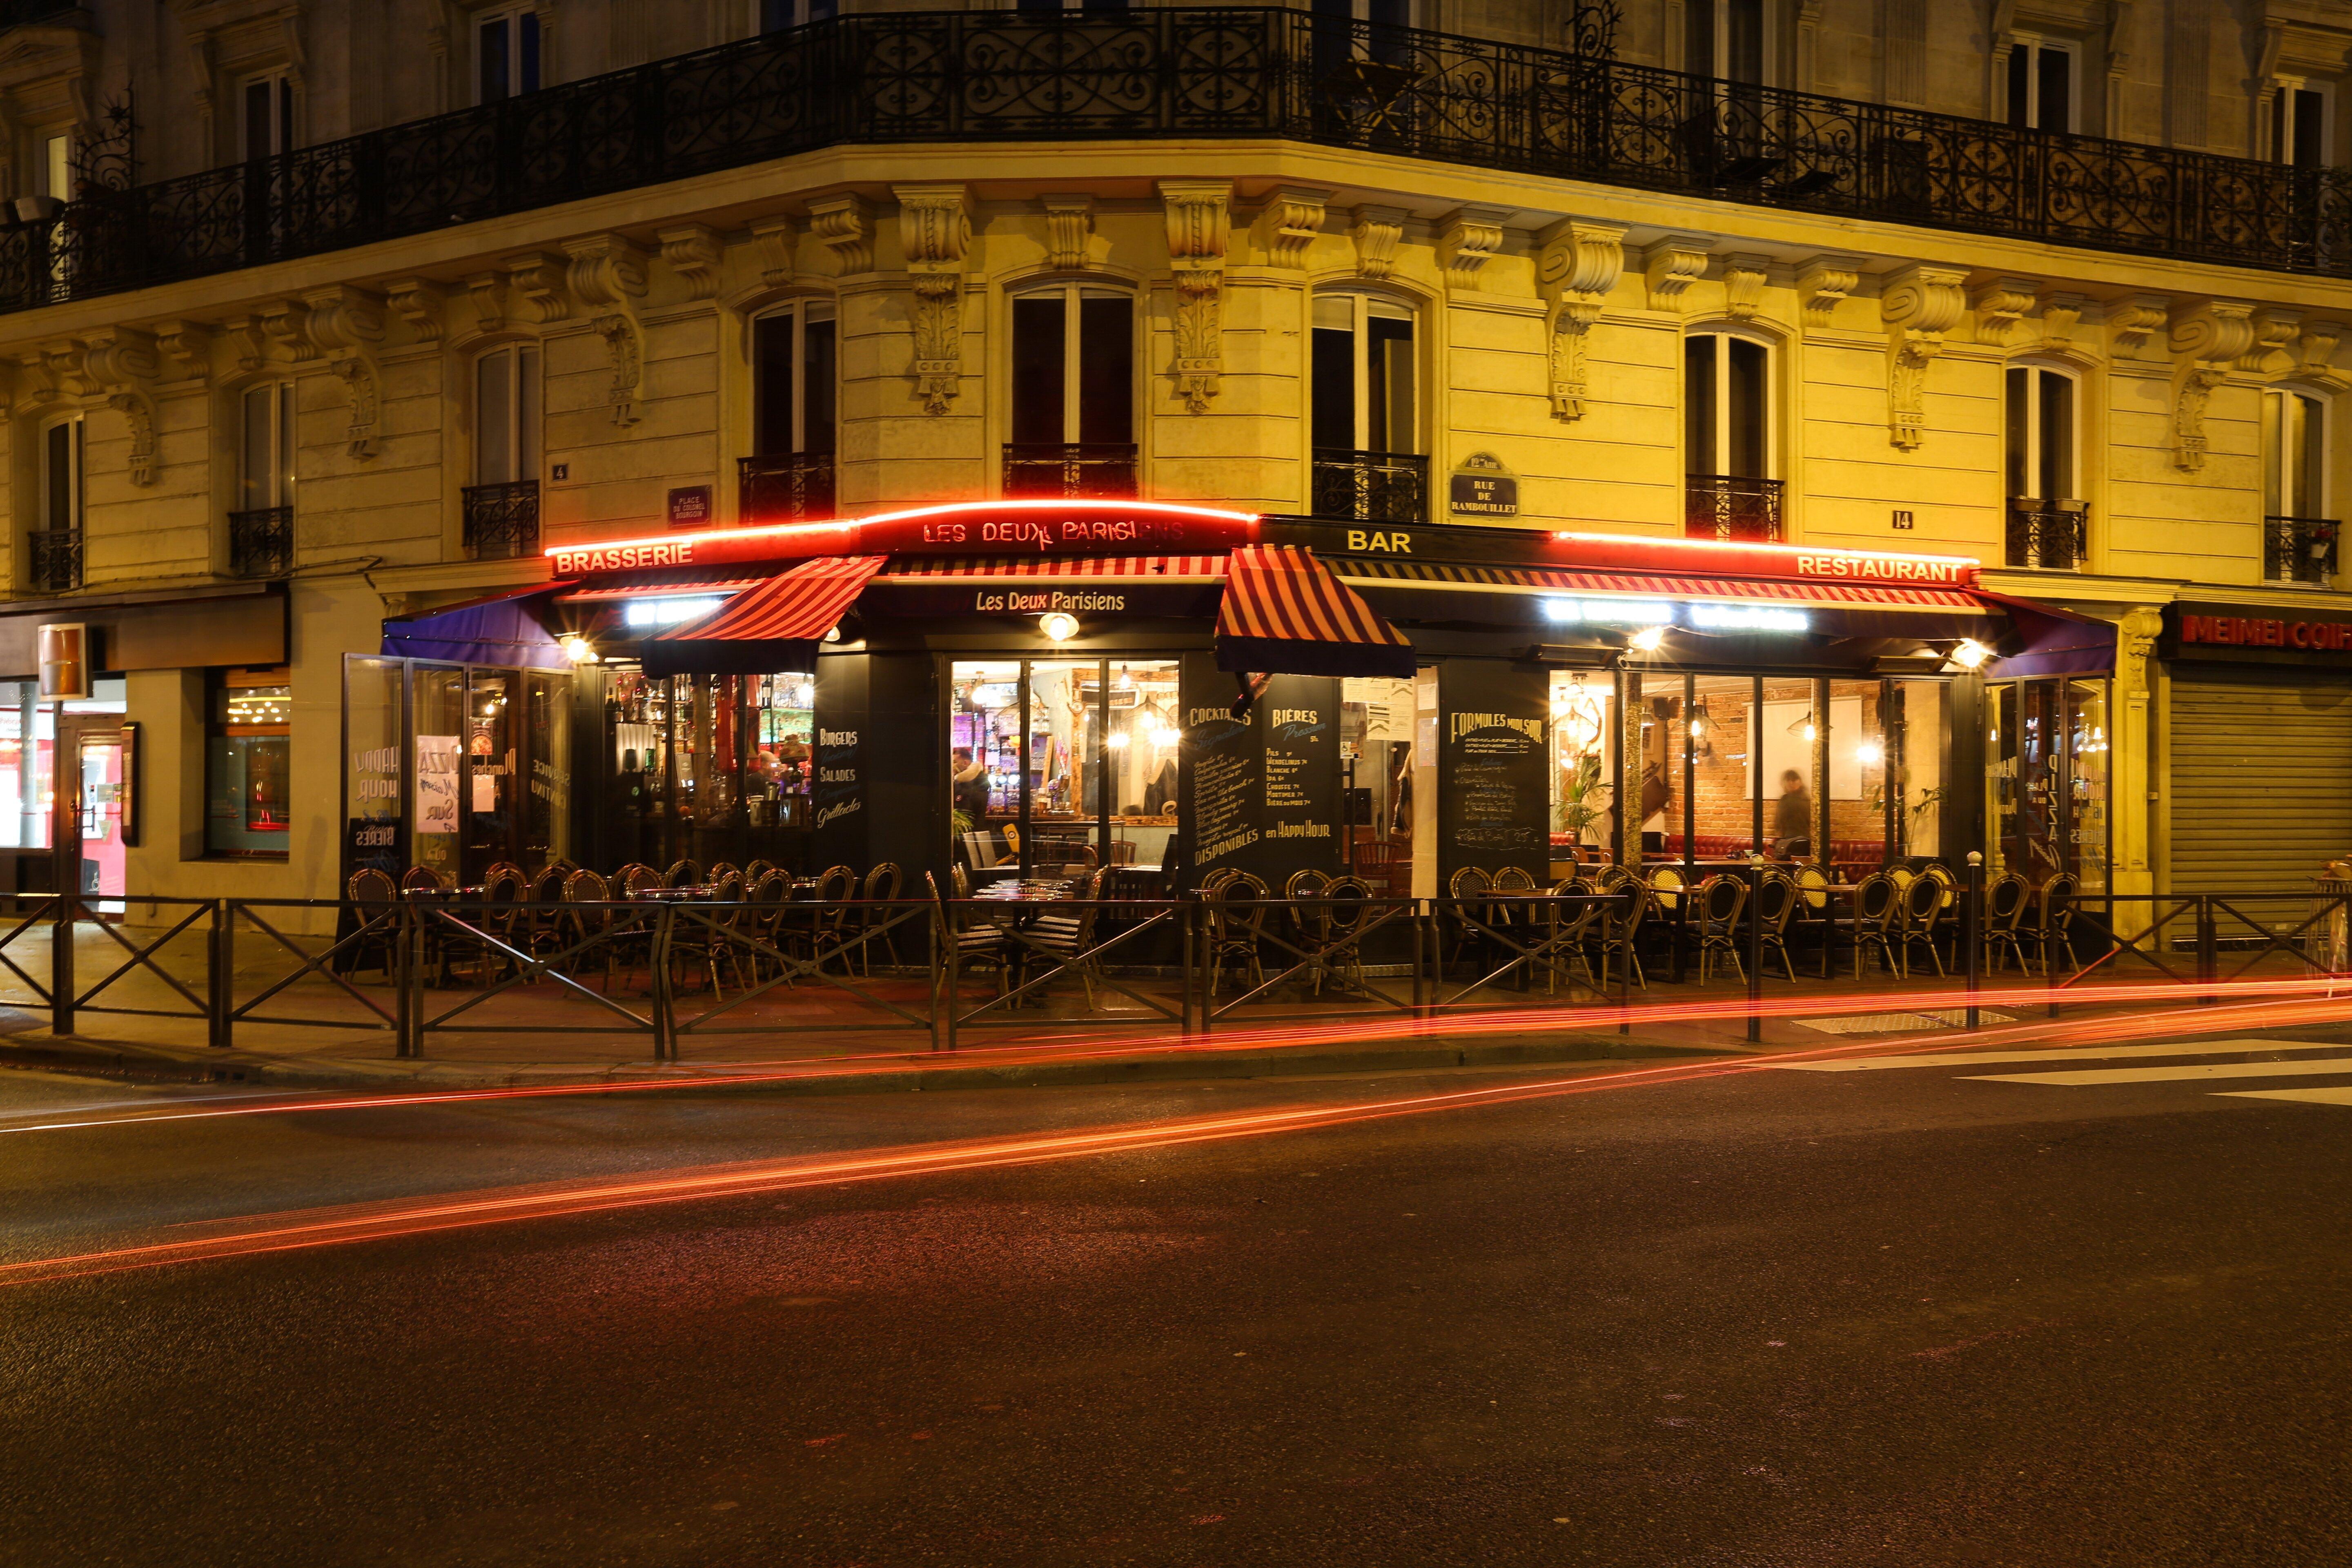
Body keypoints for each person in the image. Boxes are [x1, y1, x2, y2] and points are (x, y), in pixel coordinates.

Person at [1772, 768, 1813, 858]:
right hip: (1804, 842)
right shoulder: (1808, 800)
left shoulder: (1787, 800)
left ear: (1800, 782)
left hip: (1795, 842)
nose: (1791, 783)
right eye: (1788, 780)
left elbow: (1779, 824)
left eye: (1794, 780)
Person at [951, 747, 989, 823]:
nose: (952, 766)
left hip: (966, 831)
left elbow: (964, 813)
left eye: (955, 762)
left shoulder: (968, 784)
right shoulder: (979, 780)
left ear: (965, 763)